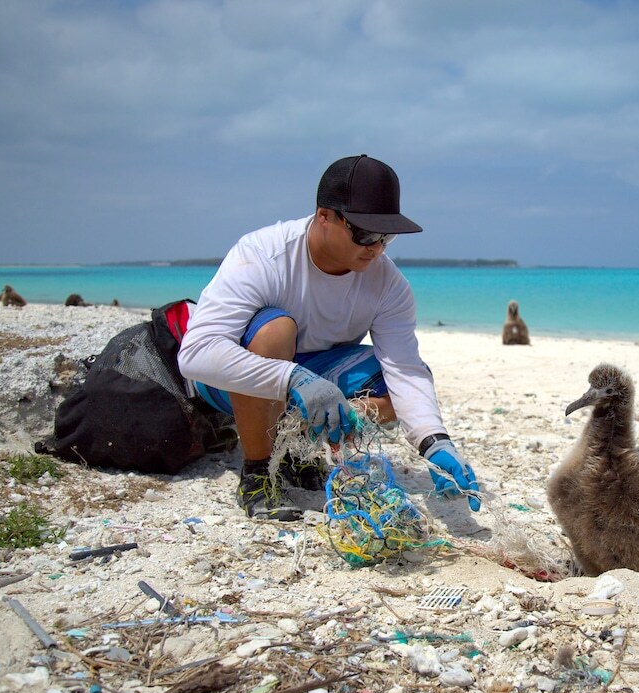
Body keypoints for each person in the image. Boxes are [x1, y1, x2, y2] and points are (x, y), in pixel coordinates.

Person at [177, 154, 480, 521]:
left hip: (315, 378)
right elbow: (195, 354)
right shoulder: (263, 255)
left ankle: (296, 448)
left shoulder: (388, 284)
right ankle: (258, 472)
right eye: (365, 233)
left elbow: (405, 368)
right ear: (325, 216)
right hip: (236, 380)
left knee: (399, 385)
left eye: (387, 236)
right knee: (276, 329)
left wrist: (435, 442)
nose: (376, 248)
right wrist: (293, 379)